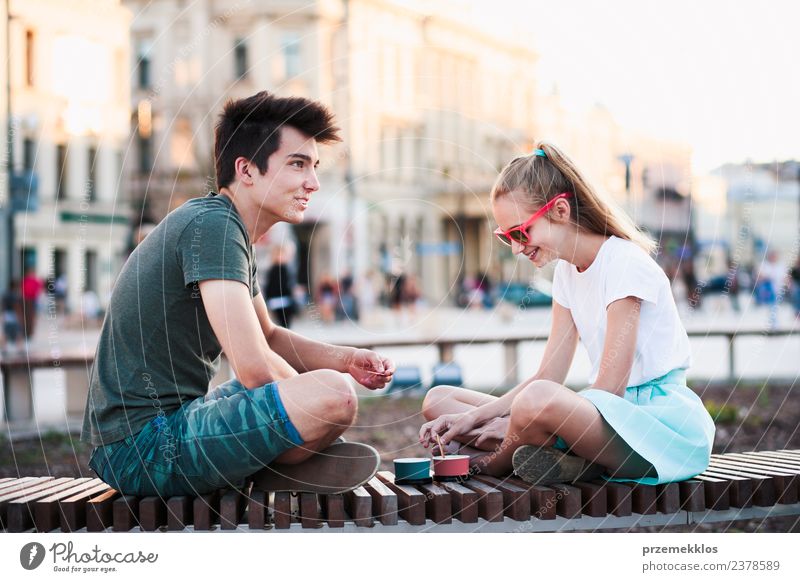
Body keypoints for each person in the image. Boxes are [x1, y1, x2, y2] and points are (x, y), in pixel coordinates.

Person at [81, 92, 395, 498]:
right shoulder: (213, 227)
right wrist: (321, 399)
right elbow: (254, 369)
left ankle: (258, 467)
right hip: (143, 448)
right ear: (246, 170)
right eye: (298, 164)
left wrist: (347, 360)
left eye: (314, 167)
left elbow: (267, 337)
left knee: (330, 391)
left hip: (166, 428)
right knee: (334, 396)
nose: (313, 182)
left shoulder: (225, 228)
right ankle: (265, 467)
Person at [419, 143, 715, 487]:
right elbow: (549, 373)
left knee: (535, 401)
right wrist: (473, 419)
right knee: (440, 400)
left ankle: (493, 462)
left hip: (655, 427)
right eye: (506, 237)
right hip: (600, 419)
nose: (516, 248)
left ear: (560, 210)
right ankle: (559, 455)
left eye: (520, 232)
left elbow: (609, 390)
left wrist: (512, 423)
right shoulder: (565, 274)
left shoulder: (625, 263)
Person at [263, 245, 296, 328]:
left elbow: (290, 285)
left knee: (286, 324)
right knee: (279, 324)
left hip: (286, 300)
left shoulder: (286, 269)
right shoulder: (272, 270)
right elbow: (269, 286)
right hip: (275, 300)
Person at [21, 267, 43, 341]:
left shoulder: (35, 281)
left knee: (32, 317)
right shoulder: (25, 280)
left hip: (32, 300)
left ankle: (30, 332)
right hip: (26, 300)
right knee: (27, 317)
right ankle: (27, 332)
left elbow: (39, 290)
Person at [1, 280, 23, 353]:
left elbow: (3, 306)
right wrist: (19, 316)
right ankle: (19, 348)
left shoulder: (5, 295)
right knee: (18, 332)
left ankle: (4, 348)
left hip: (7, 315)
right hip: (14, 315)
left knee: (6, 333)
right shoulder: (15, 295)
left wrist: (3, 315)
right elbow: (16, 306)